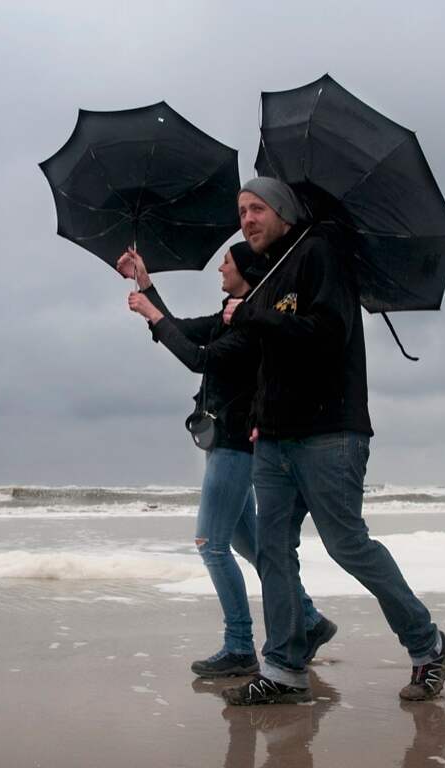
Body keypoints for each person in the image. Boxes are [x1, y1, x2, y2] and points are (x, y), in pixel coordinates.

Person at [219, 178, 445, 705]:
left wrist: (256, 315)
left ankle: (430, 645)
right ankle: (283, 669)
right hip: (276, 438)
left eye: (257, 208)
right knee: (274, 551)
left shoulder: (321, 252)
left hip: (330, 433)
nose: (247, 219)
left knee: (347, 544)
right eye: (241, 211)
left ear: (283, 211)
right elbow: (270, 360)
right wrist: (259, 415)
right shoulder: (273, 272)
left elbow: (327, 334)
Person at [117, 242, 336, 678]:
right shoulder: (229, 317)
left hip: (237, 444)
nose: (219, 267)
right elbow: (182, 328)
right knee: (248, 545)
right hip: (228, 445)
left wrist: (150, 313)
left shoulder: (252, 325)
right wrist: (145, 284)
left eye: (227, 263)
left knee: (209, 545)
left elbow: (198, 359)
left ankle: (239, 646)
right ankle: (309, 621)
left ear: (247, 273)